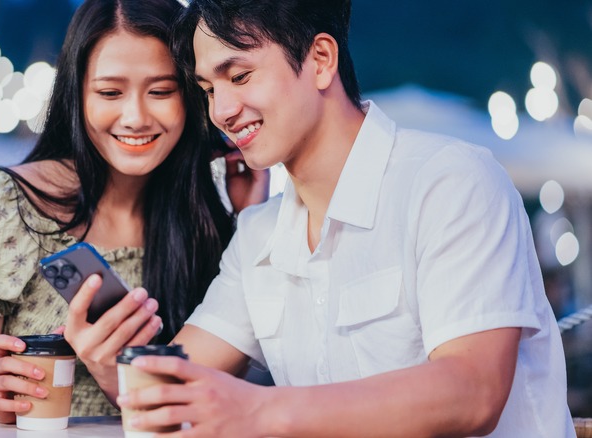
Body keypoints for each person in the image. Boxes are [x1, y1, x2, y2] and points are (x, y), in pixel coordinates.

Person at [65, 0, 575, 436]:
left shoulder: (449, 182)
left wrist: (261, 409)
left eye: (238, 76)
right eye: (207, 89)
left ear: (321, 59)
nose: (221, 110)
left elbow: (472, 391)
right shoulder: (259, 234)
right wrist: (108, 364)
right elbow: (178, 388)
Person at [0, 0, 268, 428]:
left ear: (191, 96)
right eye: (110, 92)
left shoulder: (202, 210)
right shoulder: (7, 202)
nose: (135, 117)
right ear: (77, 94)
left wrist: (248, 219)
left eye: (161, 91)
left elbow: (219, 385)